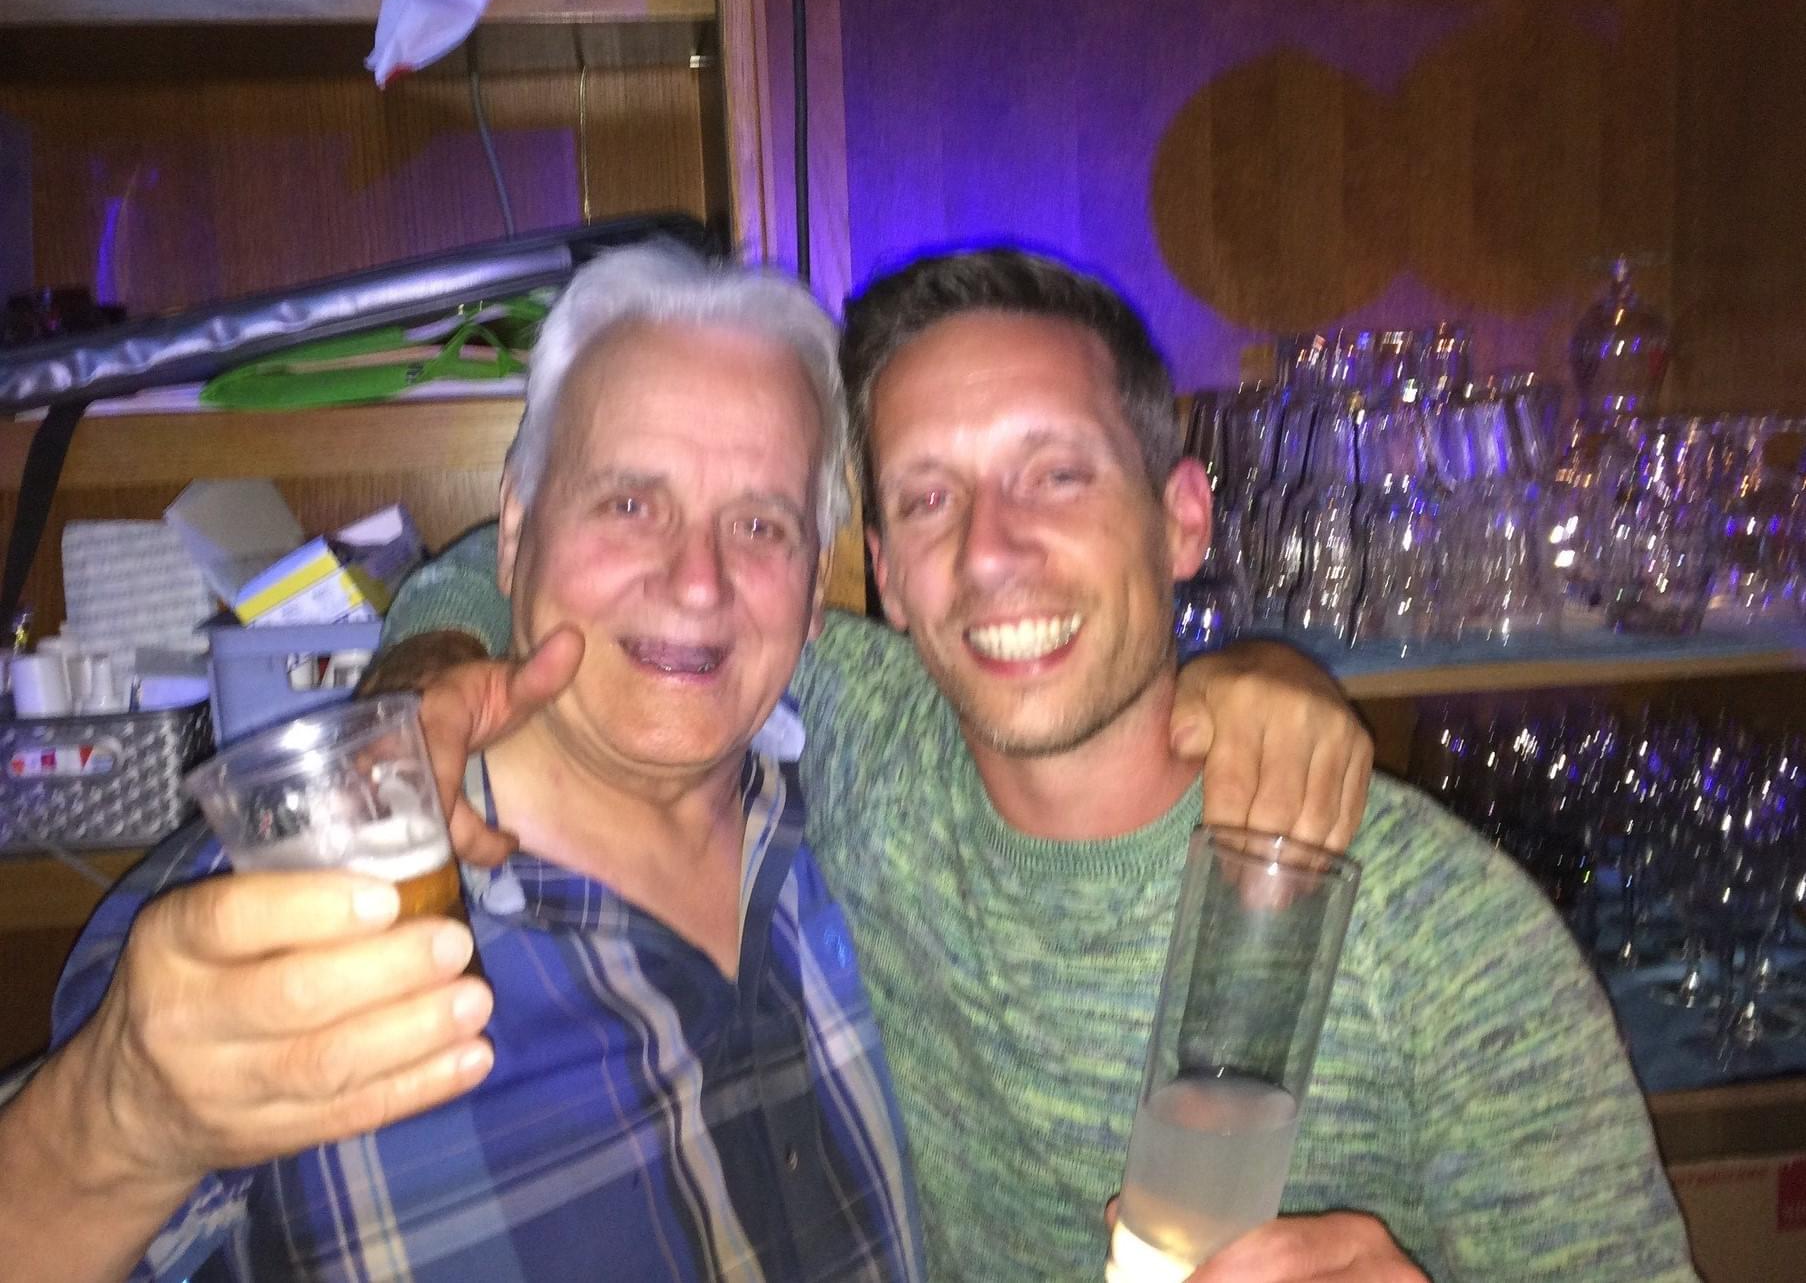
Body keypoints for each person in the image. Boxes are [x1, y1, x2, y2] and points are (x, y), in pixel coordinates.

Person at [384, 248, 1698, 1283]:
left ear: (1182, 518)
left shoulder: (1441, 938)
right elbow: (564, 559)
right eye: (928, 498)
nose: (991, 551)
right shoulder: (853, 723)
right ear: (881, 573)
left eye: (1056, 474)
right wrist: (423, 680)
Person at [0, 245, 927, 1282]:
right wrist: (117, 1121)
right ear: (515, 533)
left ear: (815, 585)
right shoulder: (287, 893)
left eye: (759, 524)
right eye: (630, 505)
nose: (698, 580)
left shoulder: (868, 811)